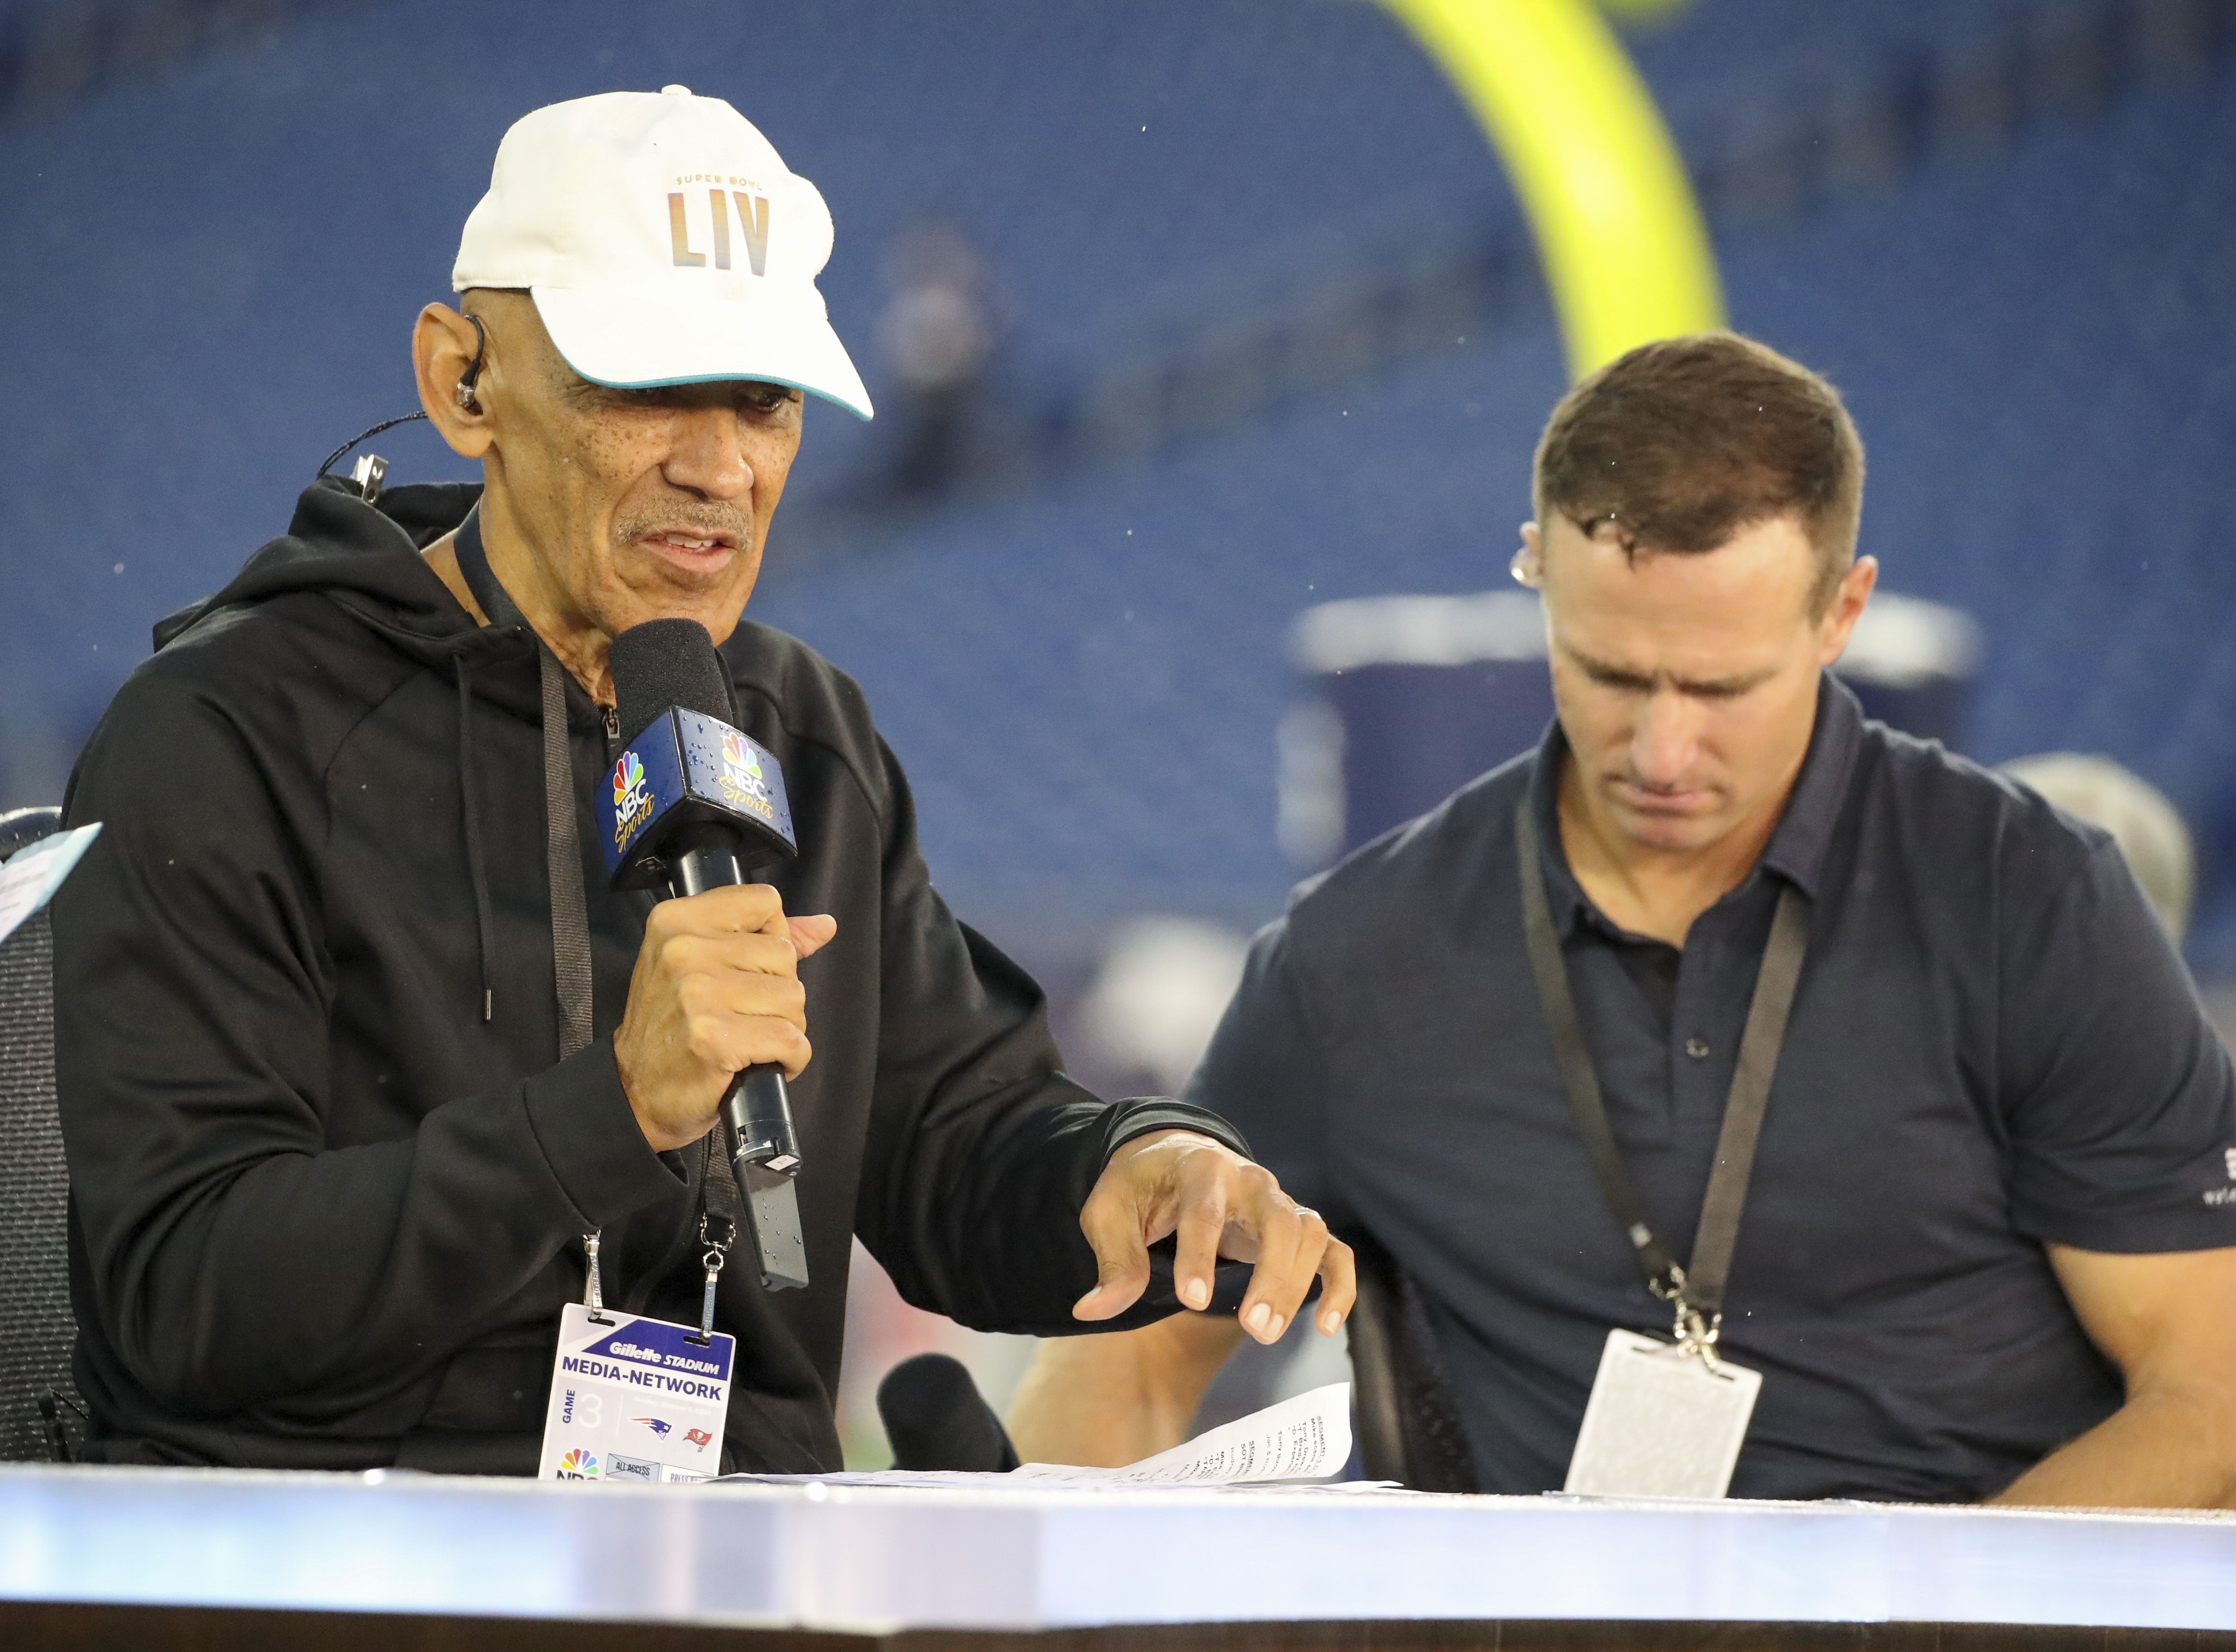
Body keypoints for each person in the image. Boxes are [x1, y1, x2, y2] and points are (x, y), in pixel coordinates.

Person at [52, 87, 1349, 1474]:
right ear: (462, 384)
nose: (719, 465)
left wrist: (1131, 1173)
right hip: (339, 1572)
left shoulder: (796, 727)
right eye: (646, 388)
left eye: (762, 400)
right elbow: (175, 1301)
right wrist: (610, 1114)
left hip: (730, 1563)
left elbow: (955, 1142)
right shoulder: (222, 733)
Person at [1008, 332, 2236, 1508]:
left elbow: (2211, 1400)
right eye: (1606, 671)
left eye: (1720, 688)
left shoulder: (2033, 905)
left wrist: (1918, 1627)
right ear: (1533, 563)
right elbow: (1119, 1375)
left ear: (1840, 613)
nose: (1659, 750)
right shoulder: (1356, 963)